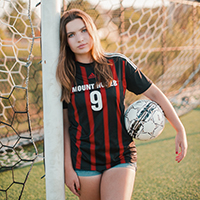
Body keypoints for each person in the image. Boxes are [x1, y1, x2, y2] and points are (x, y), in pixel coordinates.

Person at [56, 9, 188, 200]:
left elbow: (155, 94)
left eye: (84, 30)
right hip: (84, 160)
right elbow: (65, 125)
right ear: (65, 41)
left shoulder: (117, 63)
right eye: (71, 34)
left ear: (92, 30)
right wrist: (67, 169)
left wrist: (179, 128)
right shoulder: (65, 76)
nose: (80, 38)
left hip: (120, 156)